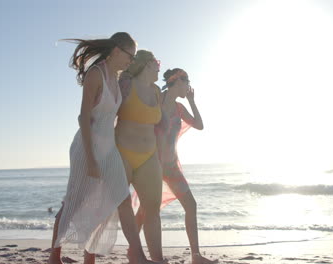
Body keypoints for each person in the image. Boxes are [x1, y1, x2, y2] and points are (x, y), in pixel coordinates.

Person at [48, 33, 157, 264]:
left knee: (121, 200)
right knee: (74, 202)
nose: (131, 60)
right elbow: (83, 118)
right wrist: (90, 159)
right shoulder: (95, 74)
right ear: (117, 50)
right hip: (87, 148)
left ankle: (136, 255)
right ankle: (53, 256)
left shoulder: (116, 78)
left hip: (109, 150)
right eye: (130, 55)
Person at [156, 68, 217, 264]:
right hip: (153, 166)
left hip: (171, 167)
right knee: (147, 211)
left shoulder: (179, 108)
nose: (189, 86)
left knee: (191, 205)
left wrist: (191, 101)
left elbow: (199, 125)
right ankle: (135, 252)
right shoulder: (157, 99)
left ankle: (196, 256)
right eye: (187, 82)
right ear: (178, 82)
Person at [116, 50, 165, 262]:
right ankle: (137, 254)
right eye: (157, 63)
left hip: (149, 156)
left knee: (152, 209)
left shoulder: (156, 91)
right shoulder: (126, 85)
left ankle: (157, 258)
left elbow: (161, 124)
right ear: (147, 64)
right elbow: (106, 112)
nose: (159, 67)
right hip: (122, 152)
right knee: (123, 203)